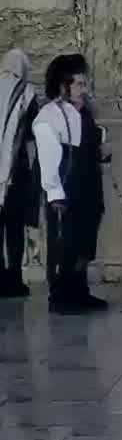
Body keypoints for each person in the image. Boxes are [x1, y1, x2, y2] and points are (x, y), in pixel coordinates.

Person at [34, 53, 108, 313]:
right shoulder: (49, 116)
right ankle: (61, 295)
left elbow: (90, 141)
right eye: (78, 84)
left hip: (88, 183)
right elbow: (49, 157)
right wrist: (55, 192)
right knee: (65, 242)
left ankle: (79, 290)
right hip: (67, 186)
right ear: (62, 85)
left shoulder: (84, 112)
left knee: (85, 240)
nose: (83, 89)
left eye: (84, 84)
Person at [0, 49, 40, 298]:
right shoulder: (25, 92)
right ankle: (13, 278)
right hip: (15, 171)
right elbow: (31, 131)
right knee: (14, 227)